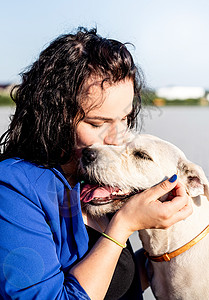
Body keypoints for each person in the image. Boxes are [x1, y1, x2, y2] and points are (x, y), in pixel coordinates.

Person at [0, 27, 192, 300]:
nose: (116, 139)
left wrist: (179, 249)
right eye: (97, 123)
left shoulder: (98, 183)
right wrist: (124, 225)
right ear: (54, 116)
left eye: (124, 118)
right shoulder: (13, 190)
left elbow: (112, 281)